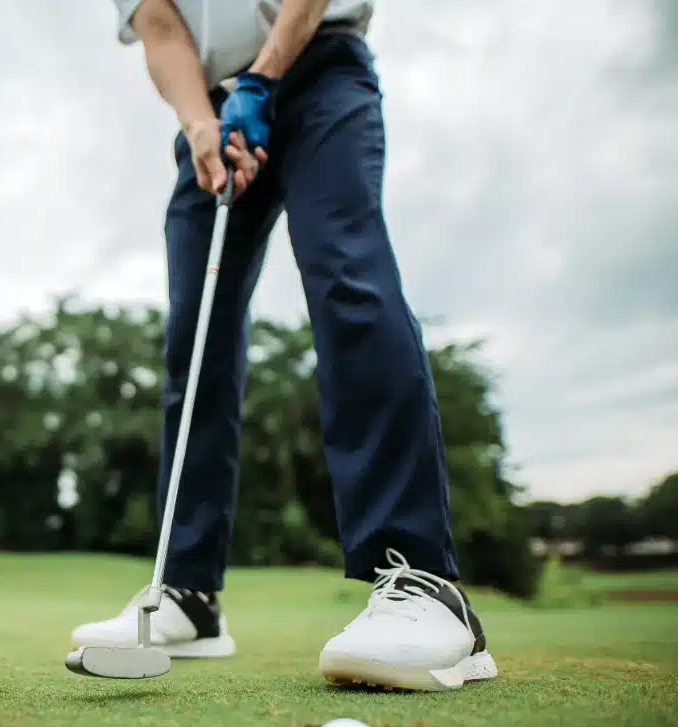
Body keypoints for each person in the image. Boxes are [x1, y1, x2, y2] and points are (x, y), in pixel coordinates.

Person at [71, 0, 497, 692]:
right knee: (194, 338)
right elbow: (159, 23)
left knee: (348, 280)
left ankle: (422, 581)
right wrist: (202, 125)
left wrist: (263, 79)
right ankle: (187, 593)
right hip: (212, 112)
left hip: (318, 65)